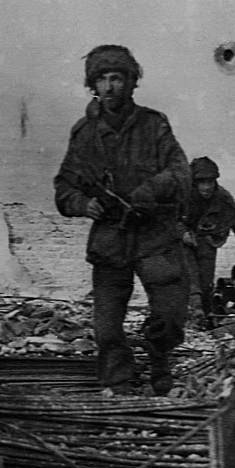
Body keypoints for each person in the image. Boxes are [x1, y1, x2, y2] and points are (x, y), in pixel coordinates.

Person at [54, 44, 190, 395]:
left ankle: (159, 359)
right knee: (107, 329)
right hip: (111, 239)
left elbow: (179, 171)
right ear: (93, 85)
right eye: (103, 79)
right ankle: (120, 384)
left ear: (132, 83)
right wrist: (84, 204)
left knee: (170, 317)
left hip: (154, 236)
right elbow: (64, 187)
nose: (110, 86)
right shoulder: (84, 134)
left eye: (118, 78)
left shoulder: (153, 125)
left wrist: (149, 190)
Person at [181, 156, 235, 320]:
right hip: (183, 243)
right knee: (190, 276)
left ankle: (206, 314)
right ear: (194, 182)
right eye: (202, 182)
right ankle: (196, 309)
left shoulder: (222, 197)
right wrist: (181, 233)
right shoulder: (181, 194)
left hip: (207, 240)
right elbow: (164, 218)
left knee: (206, 281)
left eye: (210, 182)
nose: (207, 187)